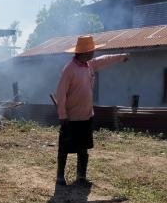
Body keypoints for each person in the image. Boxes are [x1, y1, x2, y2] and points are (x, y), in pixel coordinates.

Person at [55, 35, 129, 187]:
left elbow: (105, 59)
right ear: (83, 52)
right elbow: (61, 93)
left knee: (83, 147)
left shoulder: (89, 65)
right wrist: (62, 115)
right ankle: (60, 177)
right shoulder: (69, 69)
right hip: (71, 117)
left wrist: (122, 57)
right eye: (91, 51)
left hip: (87, 115)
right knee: (65, 148)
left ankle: (81, 176)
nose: (93, 53)